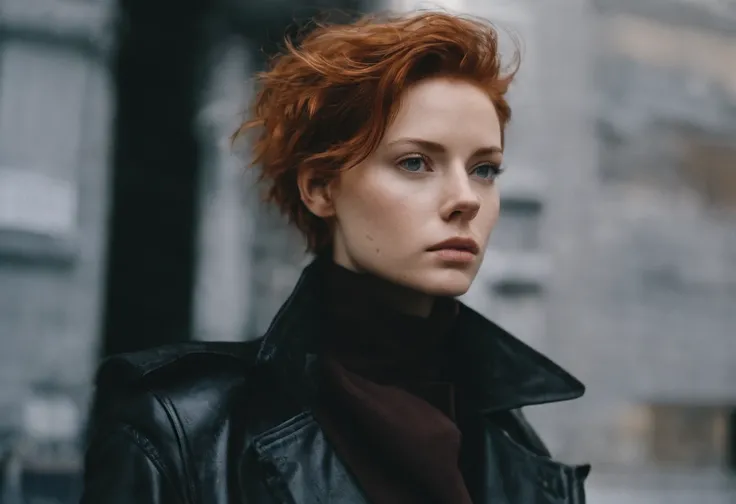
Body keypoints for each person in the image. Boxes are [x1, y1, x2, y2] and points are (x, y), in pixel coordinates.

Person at [80, 9, 590, 504]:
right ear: (321, 189)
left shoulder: (515, 446)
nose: (467, 198)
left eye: (485, 169)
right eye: (415, 162)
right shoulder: (181, 431)